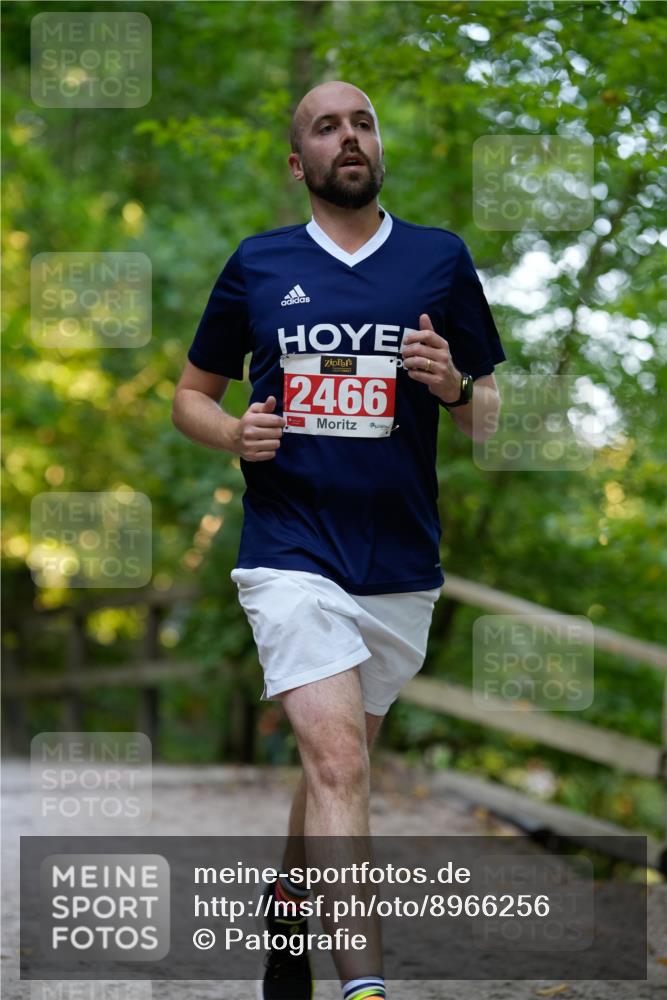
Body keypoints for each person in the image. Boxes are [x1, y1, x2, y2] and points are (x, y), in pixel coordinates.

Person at [173, 80, 506, 1000]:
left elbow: (488, 419)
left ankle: (288, 900)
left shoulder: (438, 259)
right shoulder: (259, 263)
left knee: (335, 767)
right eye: (326, 127)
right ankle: (366, 988)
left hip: (398, 565)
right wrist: (233, 432)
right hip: (288, 551)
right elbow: (190, 397)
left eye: (361, 123)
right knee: (339, 763)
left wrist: (452, 387)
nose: (348, 137)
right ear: (299, 162)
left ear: (378, 148)